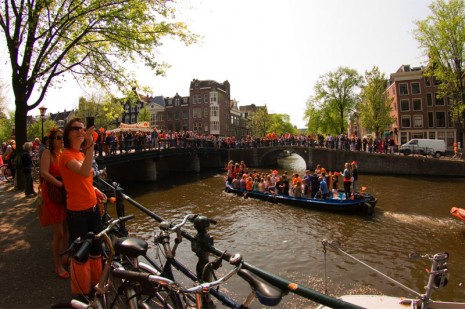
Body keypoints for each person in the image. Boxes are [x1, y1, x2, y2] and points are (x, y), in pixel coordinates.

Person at [59, 118, 106, 296]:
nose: (81, 131)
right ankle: (82, 292)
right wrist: (91, 145)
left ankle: (96, 284)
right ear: (68, 134)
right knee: (81, 254)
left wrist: (94, 190)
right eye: (76, 128)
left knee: (96, 249)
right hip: (78, 212)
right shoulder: (66, 156)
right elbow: (84, 171)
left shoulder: (79, 154)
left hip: (92, 208)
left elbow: (84, 179)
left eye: (83, 128)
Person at [40, 129, 69, 279]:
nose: (61, 140)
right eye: (58, 138)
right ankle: (57, 265)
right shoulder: (47, 153)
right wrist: (59, 184)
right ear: (51, 140)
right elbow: (44, 173)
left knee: (65, 227)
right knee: (59, 232)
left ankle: (64, 256)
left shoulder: (62, 153)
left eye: (62, 138)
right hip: (53, 192)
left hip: (62, 193)